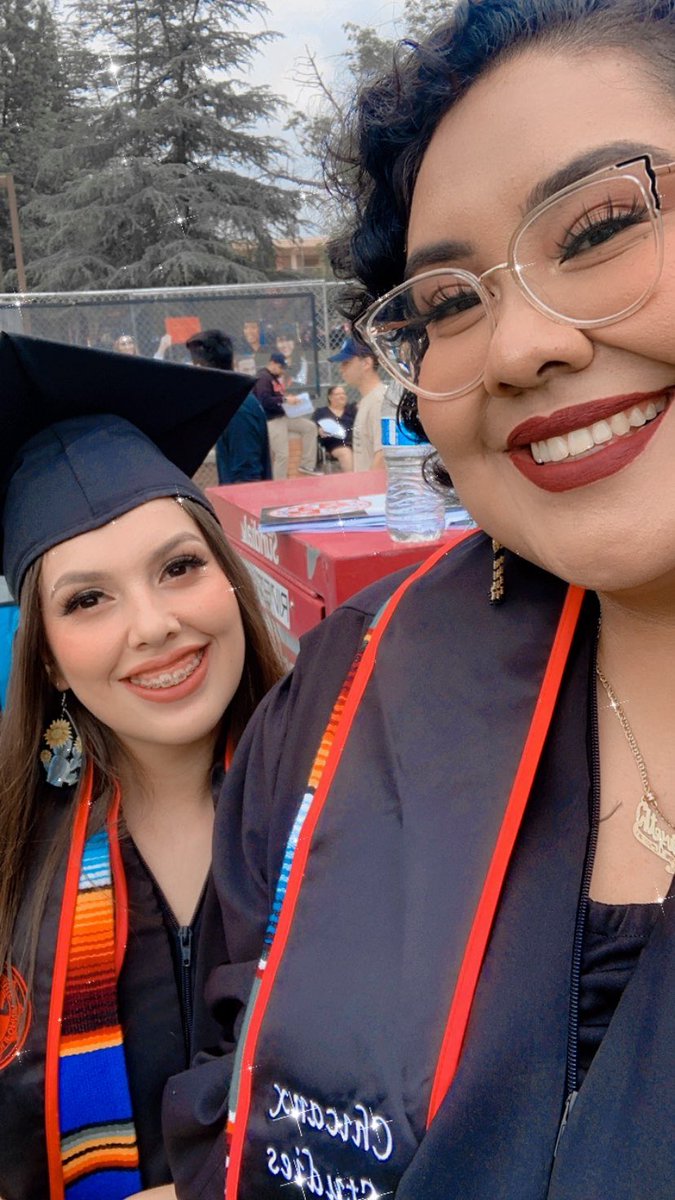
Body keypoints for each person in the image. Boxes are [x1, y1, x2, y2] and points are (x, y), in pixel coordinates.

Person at [163, 1, 675, 1197]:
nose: (513, 349)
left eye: (598, 227)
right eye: (445, 305)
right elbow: (224, 1098)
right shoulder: (343, 708)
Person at [0, 333, 283, 1200]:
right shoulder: (7, 858)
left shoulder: (352, 809)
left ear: (230, 581)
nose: (153, 624)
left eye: (179, 567)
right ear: (45, 654)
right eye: (88, 599)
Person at [185, 330, 272, 485]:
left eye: (193, 366)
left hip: (243, 502)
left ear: (201, 367)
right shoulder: (232, 401)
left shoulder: (238, 410)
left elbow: (247, 479)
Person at [253, 352, 319, 479]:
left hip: (283, 416)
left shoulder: (273, 378)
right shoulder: (263, 377)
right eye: (281, 367)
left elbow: (276, 398)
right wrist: (285, 400)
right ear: (272, 363)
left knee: (310, 427)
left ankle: (307, 465)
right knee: (282, 455)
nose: (283, 371)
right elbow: (264, 400)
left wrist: (287, 399)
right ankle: (279, 485)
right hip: (272, 419)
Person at [328, 336, 386, 470]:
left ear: (366, 363)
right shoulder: (368, 400)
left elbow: (382, 455)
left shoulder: (379, 401)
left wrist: (368, 488)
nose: (341, 369)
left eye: (346, 362)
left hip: (374, 488)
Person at [312, 384, 357, 472]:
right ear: (330, 397)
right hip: (334, 444)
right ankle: (352, 481)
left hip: (355, 442)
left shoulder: (352, 410)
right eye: (338, 394)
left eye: (343, 394)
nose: (342, 396)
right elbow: (312, 427)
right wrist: (318, 430)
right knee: (346, 453)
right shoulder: (321, 412)